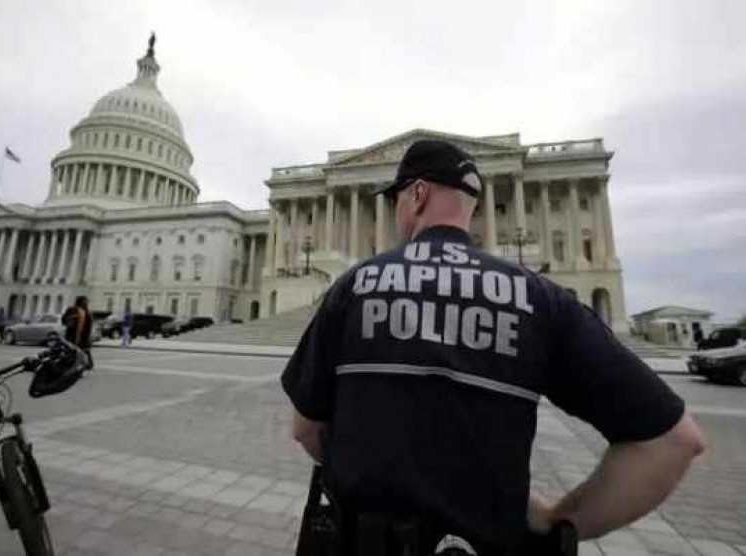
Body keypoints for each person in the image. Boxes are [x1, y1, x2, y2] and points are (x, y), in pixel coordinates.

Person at [281, 140, 707, 555]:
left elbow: (306, 428)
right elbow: (675, 441)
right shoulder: (540, 299)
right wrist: (559, 519)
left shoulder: (356, 285)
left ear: (417, 194)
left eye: (395, 199)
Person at [65, 296, 94, 370]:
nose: (87, 303)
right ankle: (72, 364)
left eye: (87, 301)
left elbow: (89, 324)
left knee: (84, 350)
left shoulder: (88, 312)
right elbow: (65, 320)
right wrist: (71, 320)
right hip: (73, 334)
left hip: (83, 335)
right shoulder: (73, 310)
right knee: (72, 350)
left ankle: (88, 364)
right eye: (85, 301)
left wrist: (88, 335)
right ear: (80, 302)